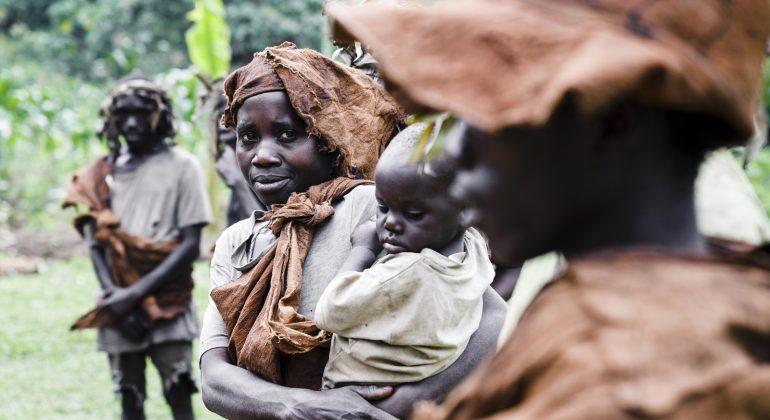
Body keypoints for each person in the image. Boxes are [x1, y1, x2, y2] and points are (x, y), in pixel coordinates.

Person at [328, 0, 770, 418]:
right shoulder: (646, 298)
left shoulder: (623, 387)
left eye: (479, 119)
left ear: (609, 126)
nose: (454, 154)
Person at [199, 42, 507, 419]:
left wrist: (396, 406)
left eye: (287, 135)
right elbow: (214, 379)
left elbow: (491, 317)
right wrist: (311, 408)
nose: (261, 155)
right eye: (248, 137)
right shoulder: (237, 243)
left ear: (328, 137)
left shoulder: (371, 209)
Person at [63, 76, 212, 419]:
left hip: (168, 301)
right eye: (123, 113)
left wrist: (134, 296)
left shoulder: (182, 166)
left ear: (161, 116)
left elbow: (190, 246)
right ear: (110, 118)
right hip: (118, 307)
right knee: (129, 397)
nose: (132, 122)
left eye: (142, 113)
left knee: (179, 390)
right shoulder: (99, 174)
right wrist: (116, 298)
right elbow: (96, 244)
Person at [315, 123, 494, 390]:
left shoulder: (406, 274)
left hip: (358, 392)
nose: (390, 223)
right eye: (383, 207)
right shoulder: (475, 249)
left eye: (413, 215)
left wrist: (362, 250)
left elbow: (328, 311)